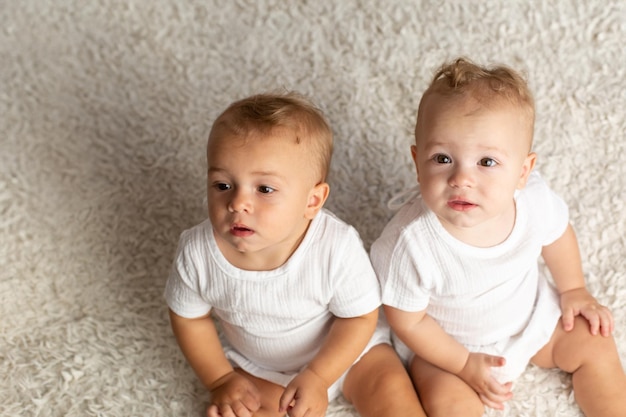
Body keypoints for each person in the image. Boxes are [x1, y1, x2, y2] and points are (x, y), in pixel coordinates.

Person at [370, 57, 626, 417]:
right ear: (417, 161)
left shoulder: (532, 201)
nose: (462, 178)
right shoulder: (409, 243)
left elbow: (557, 236)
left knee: (595, 344)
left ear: (523, 172)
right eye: (442, 158)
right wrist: (462, 364)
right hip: (447, 348)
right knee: (447, 402)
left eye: (486, 162)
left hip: (531, 318)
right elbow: (407, 320)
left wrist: (573, 290)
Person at [165, 92, 426, 417]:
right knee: (238, 410)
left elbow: (359, 316)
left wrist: (319, 376)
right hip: (263, 368)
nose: (237, 203)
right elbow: (189, 317)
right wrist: (219, 378)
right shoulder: (197, 253)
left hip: (349, 354)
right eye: (222, 185)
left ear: (312, 201)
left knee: (392, 396)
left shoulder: (335, 246)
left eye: (264, 189)